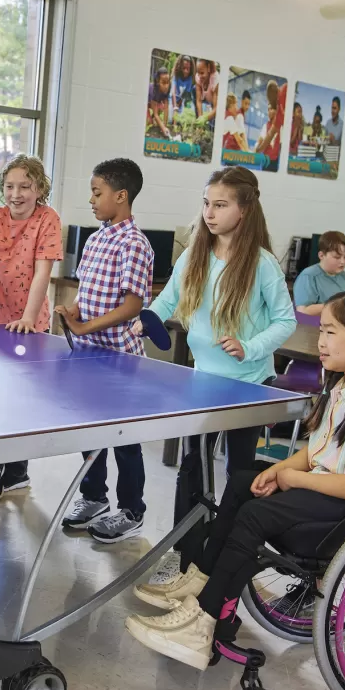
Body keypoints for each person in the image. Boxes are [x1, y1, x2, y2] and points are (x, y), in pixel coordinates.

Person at [126, 289, 345, 669]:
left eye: (330, 332)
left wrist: (294, 479)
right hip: (334, 489)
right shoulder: (343, 386)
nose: (320, 341)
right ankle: (203, 578)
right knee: (245, 480)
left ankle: (203, 621)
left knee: (255, 514)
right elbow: (318, 452)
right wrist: (279, 470)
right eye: (322, 331)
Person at [137, 166, 295, 585]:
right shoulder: (195, 254)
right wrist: (149, 316)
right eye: (206, 203)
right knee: (193, 466)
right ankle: (186, 553)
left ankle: (229, 554)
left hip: (247, 385)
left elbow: (285, 320)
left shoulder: (262, 265)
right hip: (204, 380)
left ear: (244, 209)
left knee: (239, 472)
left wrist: (251, 346)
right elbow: (169, 297)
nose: (209, 212)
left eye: (220, 204)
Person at [55, 159, 154, 543]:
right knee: (88, 432)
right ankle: (94, 497)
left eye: (98, 193)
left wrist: (84, 326)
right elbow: (85, 296)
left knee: (125, 439)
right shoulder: (96, 239)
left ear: (121, 196)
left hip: (121, 360)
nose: (92, 200)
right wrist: (73, 312)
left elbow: (132, 307)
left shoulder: (135, 244)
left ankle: (132, 510)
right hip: (87, 355)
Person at [0, 154, 63, 498]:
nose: (16, 193)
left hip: (29, 322)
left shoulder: (48, 219)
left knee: (24, 399)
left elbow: (42, 273)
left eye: (25, 186)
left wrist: (27, 317)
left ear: (39, 189)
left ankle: (17, 470)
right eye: (10, 186)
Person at [294, 230, 345, 315]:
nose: (342, 262)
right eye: (337, 257)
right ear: (321, 255)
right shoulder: (308, 276)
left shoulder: (342, 275)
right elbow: (303, 311)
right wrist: (337, 305)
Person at [254, 80, 284, 171]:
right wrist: (255, 149)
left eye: (271, 109)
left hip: (276, 162)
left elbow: (281, 145)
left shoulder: (281, 126)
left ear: (276, 110)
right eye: (268, 109)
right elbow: (260, 142)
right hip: (266, 161)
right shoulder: (265, 126)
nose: (269, 111)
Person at [146, 68, 171, 139]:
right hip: (146, 104)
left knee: (162, 107)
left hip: (156, 103)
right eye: (163, 83)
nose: (166, 86)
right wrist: (163, 128)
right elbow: (156, 113)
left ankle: (153, 118)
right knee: (149, 123)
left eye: (167, 82)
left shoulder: (168, 88)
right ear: (158, 82)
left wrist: (164, 126)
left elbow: (166, 108)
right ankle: (150, 118)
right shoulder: (154, 91)